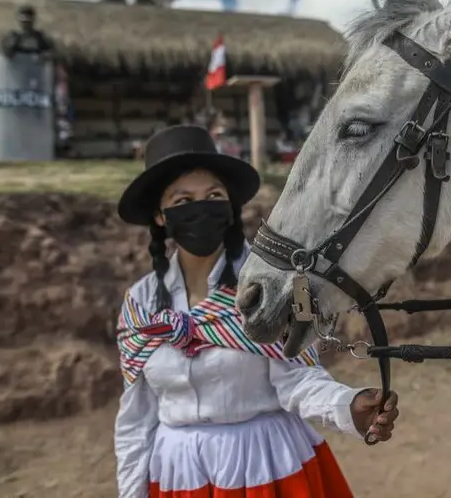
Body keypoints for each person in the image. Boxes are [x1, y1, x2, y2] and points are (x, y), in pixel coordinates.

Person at [114, 125, 399, 497]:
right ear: (160, 216)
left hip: (266, 466)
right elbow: (135, 421)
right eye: (183, 200)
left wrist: (348, 405)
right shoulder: (141, 306)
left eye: (213, 195)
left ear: (230, 206)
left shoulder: (267, 289)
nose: (200, 207)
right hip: (178, 476)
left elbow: (298, 380)